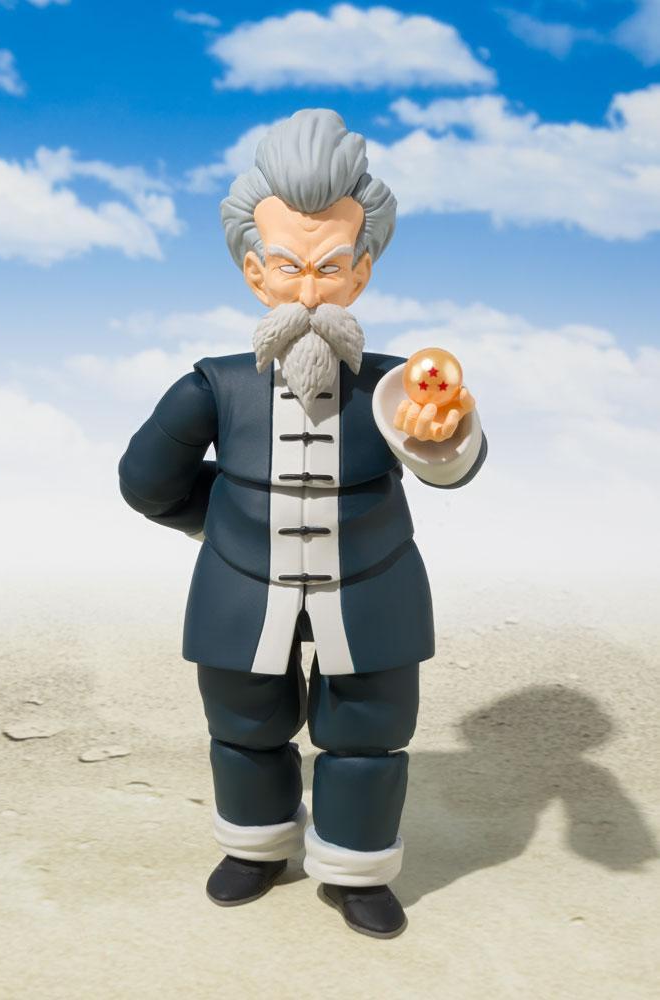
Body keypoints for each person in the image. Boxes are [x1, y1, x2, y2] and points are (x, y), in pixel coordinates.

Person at [118, 108, 487, 938]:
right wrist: (228, 528)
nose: (311, 292)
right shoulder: (213, 386)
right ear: (256, 273)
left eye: (330, 267)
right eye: (289, 266)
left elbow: (450, 466)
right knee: (243, 728)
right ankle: (255, 848)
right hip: (241, 593)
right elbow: (145, 483)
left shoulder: (396, 386)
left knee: (367, 735)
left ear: (361, 271)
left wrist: (444, 435)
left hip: (373, 588)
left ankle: (355, 866)